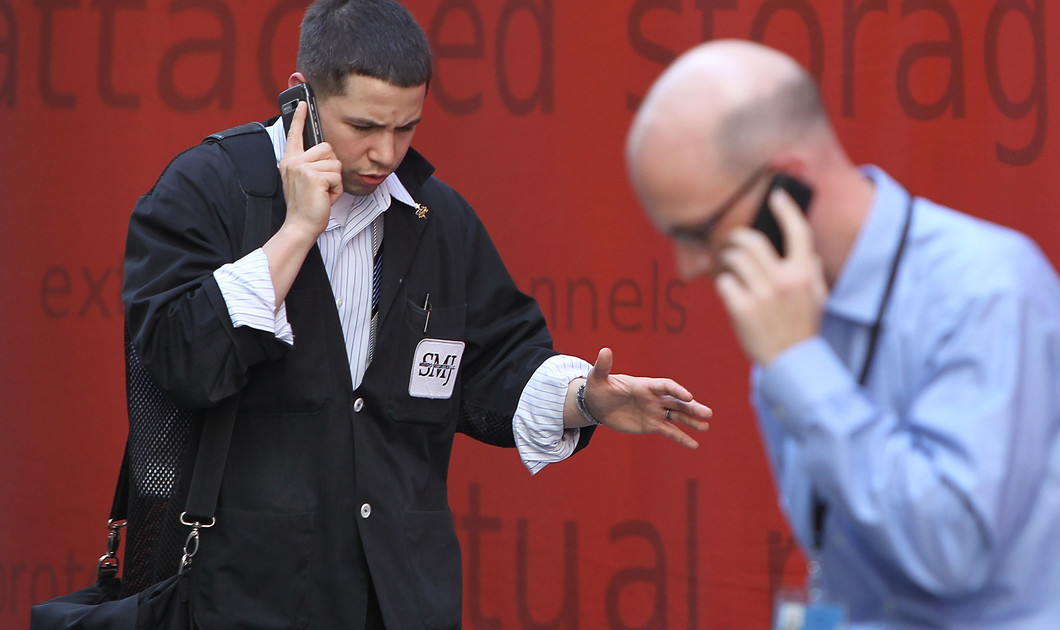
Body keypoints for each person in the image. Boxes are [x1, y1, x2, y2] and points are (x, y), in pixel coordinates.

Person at [120, 1, 712, 628]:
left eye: (406, 128)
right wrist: (295, 232)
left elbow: (494, 362)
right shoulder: (208, 189)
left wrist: (585, 400)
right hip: (240, 596)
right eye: (364, 126)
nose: (385, 153)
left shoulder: (439, 217)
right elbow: (179, 361)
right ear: (302, 96)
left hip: (399, 598)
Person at [625, 40, 1060, 629]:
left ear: (788, 187)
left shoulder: (986, 293)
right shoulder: (791, 314)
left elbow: (950, 549)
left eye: (699, 232)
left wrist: (800, 365)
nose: (688, 266)